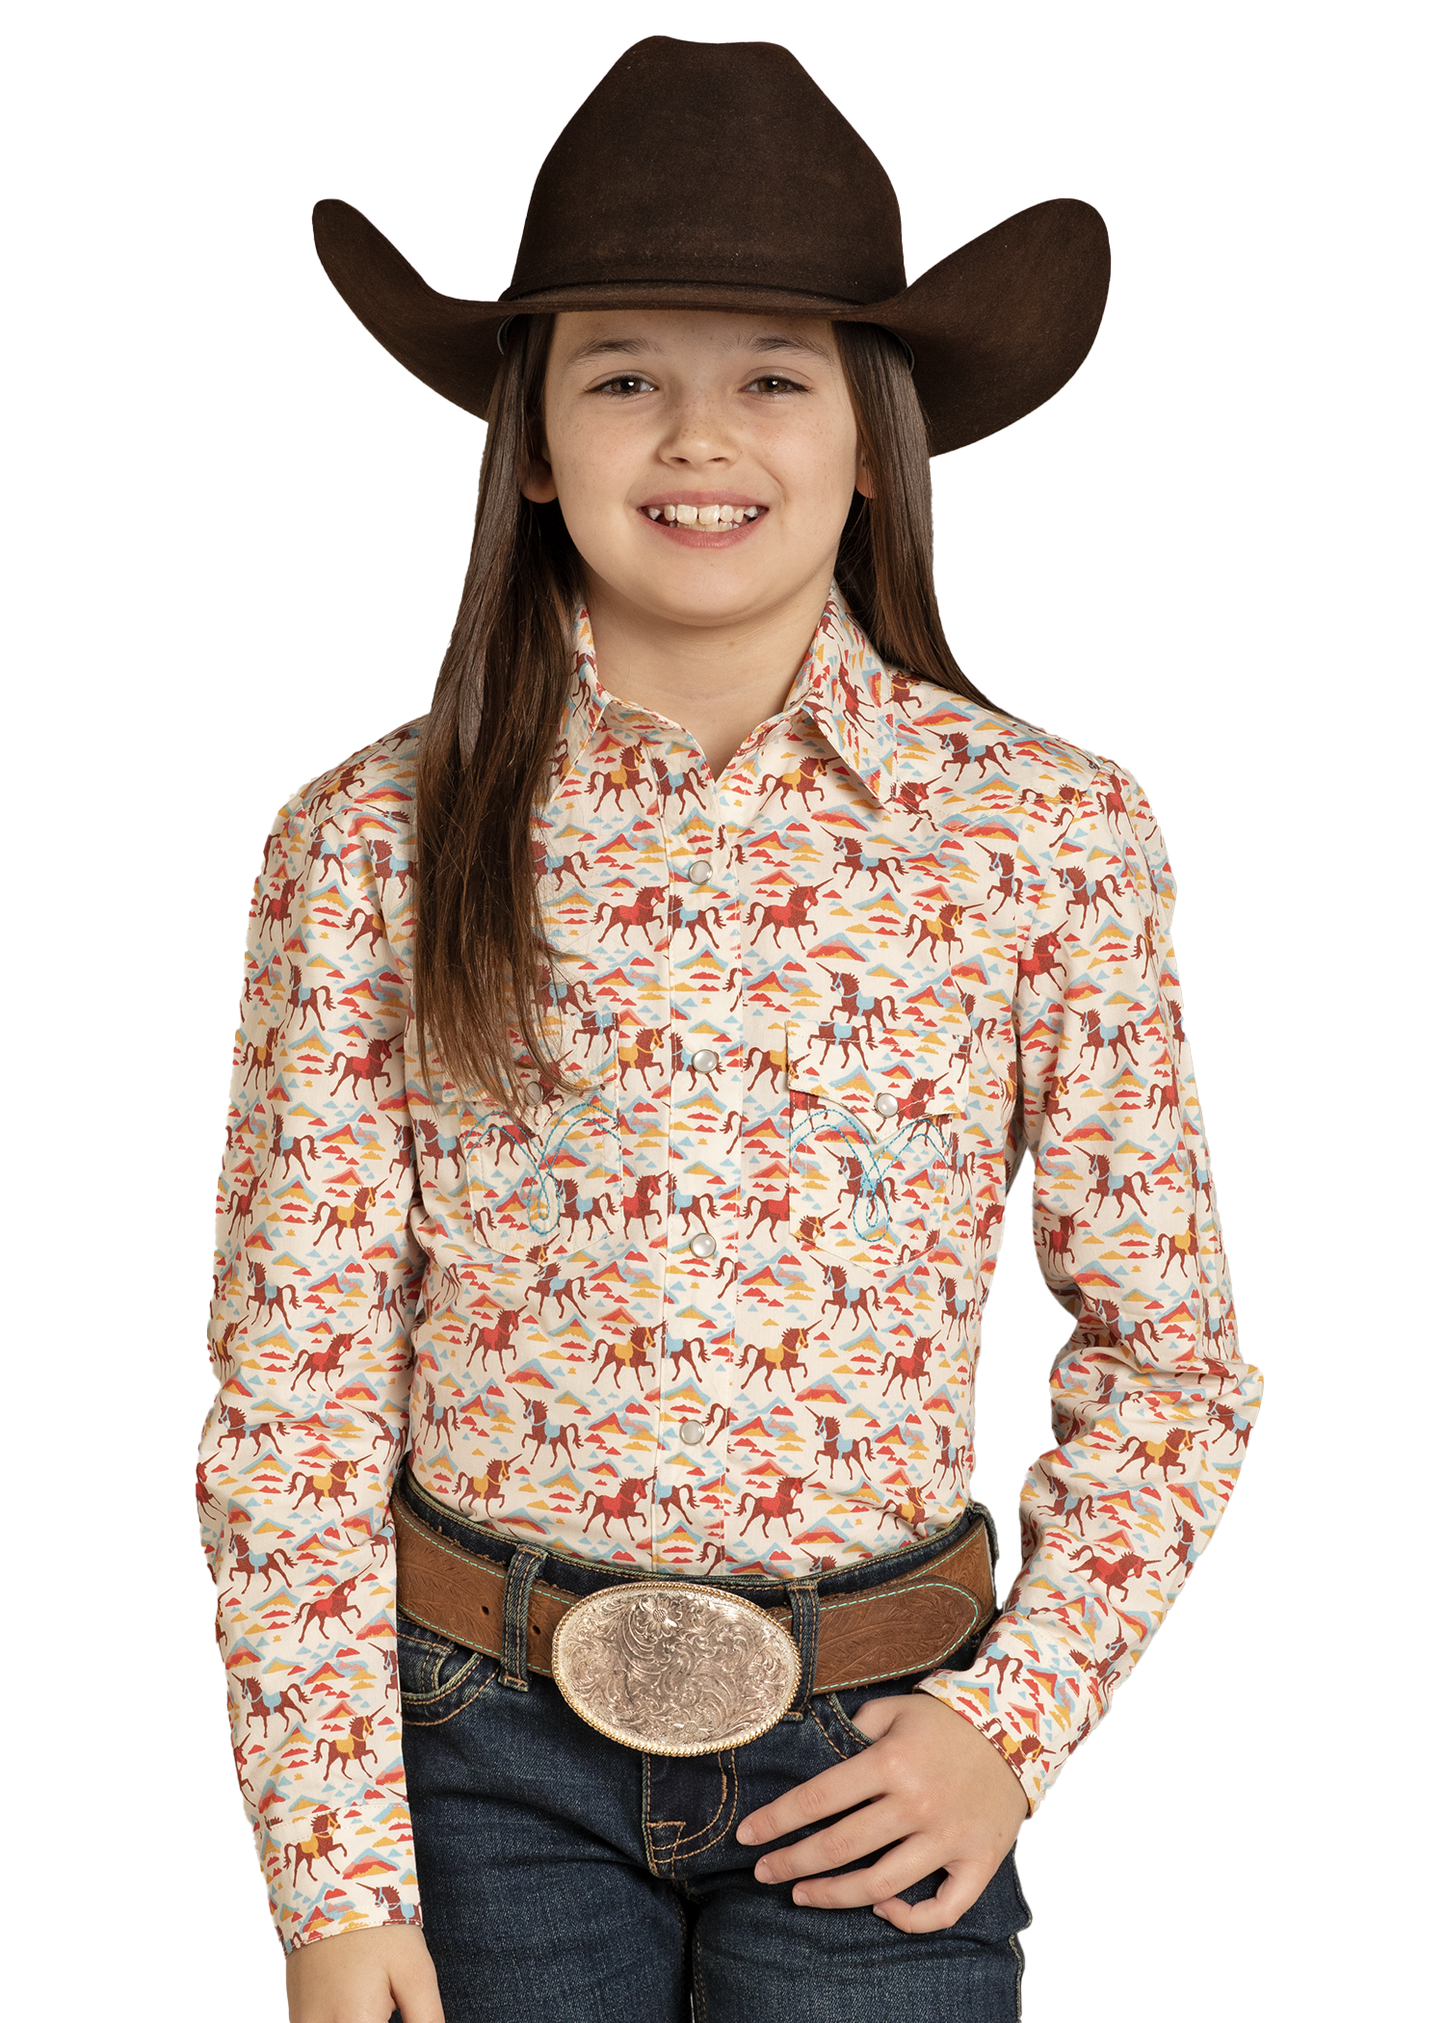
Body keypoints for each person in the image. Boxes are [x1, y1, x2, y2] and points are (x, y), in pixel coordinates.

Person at [194, 33, 1265, 2023]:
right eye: (623, 379)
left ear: (872, 436)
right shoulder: (362, 842)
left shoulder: (1045, 833)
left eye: (770, 377)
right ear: (529, 438)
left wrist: (1010, 1723)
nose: (698, 440)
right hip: (474, 1760)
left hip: (878, 1749)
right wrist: (334, 1880)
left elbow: (1168, 1365)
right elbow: (294, 1402)